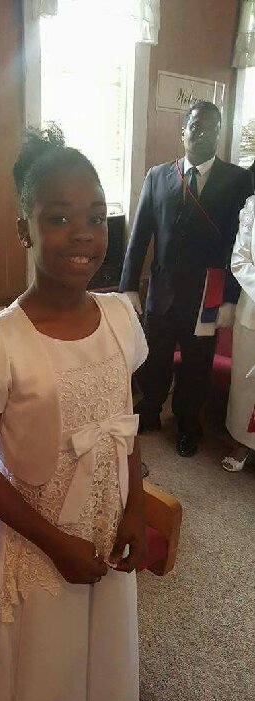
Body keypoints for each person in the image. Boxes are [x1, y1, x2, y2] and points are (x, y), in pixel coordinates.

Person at [0, 125, 149, 701]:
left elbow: (124, 422)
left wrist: (136, 507)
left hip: (105, 520)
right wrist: (55, 542)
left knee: (93, 647)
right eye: (58, 218)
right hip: (35, 536)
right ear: (23, 229)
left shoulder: (120, 317)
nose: (83, 234)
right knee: (42, 666)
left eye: (95, 216)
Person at [120, 101, 253, 457]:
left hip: (208, 293)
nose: (203, 133)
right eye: (196, 126)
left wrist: (230, 297)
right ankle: (150, 410)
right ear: (183, 132)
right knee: (154, 358)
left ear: (220, 134)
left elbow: (240, 243)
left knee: (197, 364)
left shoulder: (238, 180)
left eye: (212, 127)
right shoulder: (157, 175)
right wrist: (128, 286)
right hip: (161, 291)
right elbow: (140, 234)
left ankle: (187, 425)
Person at [222, 195, 255, 471]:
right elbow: (239, 260)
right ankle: (243, 441)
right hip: (253, 309)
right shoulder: (252, 207)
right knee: (246, 381)